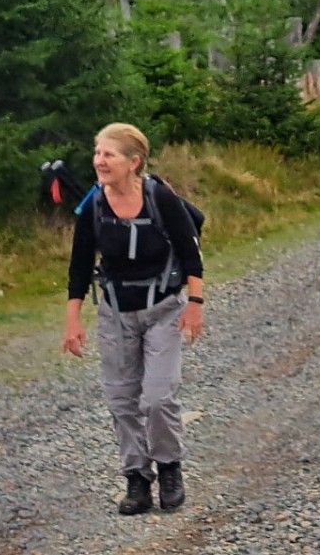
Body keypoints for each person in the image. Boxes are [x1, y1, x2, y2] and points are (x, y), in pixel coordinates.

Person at [63, 123, 205, 516]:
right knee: (121, 399)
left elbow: (191, 255)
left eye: (109, 154)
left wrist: (195, 302)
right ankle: (137, 480)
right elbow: (79, 266)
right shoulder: (94, 205)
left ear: (134, 162)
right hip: (115, 313)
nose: (99, 161)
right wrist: (73, 320)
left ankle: (170, 467)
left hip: (163, 309)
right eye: (97, 154)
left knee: (158, 396)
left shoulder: (160, 197)